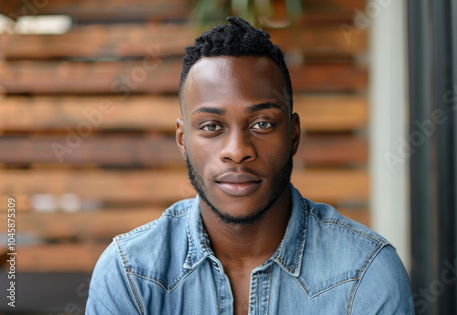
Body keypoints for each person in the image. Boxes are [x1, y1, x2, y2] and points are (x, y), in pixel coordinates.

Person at [86, 16, 414, 314]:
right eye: (212, 126)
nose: (237, 151)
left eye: (262, 124)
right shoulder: (130, 274)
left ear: (294, 134)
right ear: (183, 140)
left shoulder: (364, 274)